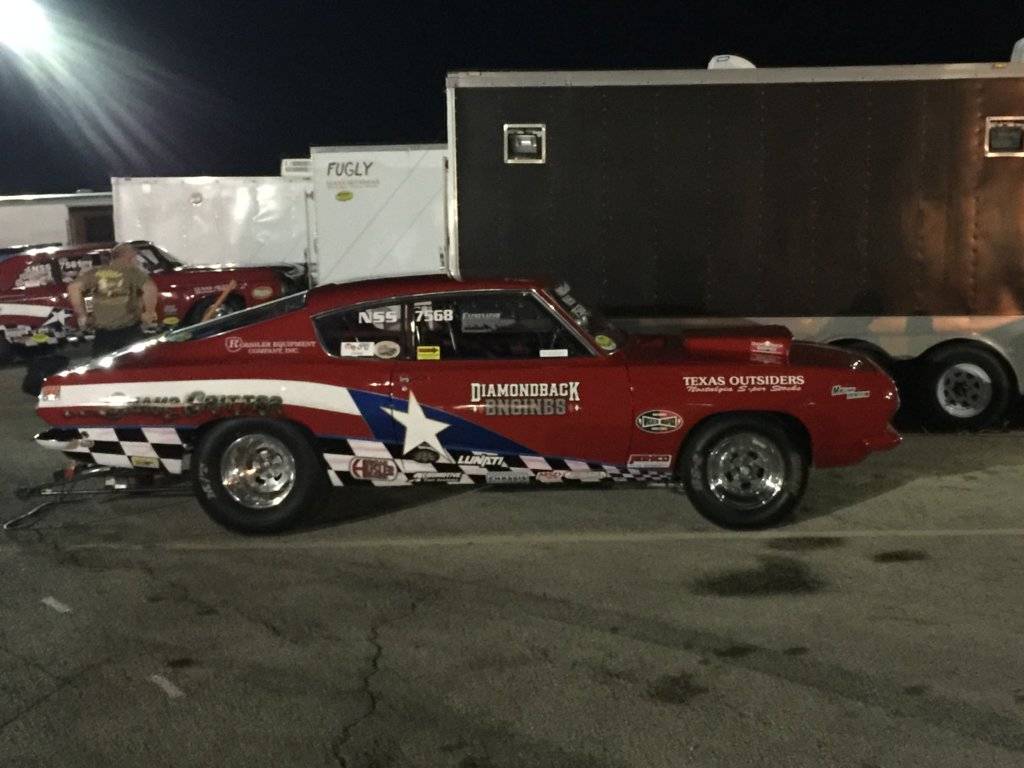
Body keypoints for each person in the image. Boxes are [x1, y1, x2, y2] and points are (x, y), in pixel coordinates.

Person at [68, 242, 158, 357]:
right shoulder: (133, 273)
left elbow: (73, 287)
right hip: (129, 331)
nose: (137, 261)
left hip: (103, 335)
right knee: (133, 365)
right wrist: (149, 312)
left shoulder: (95, 273)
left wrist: (82, 314)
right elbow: (150, 288)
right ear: (129, 257)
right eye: (135, 258)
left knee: (102, 366)